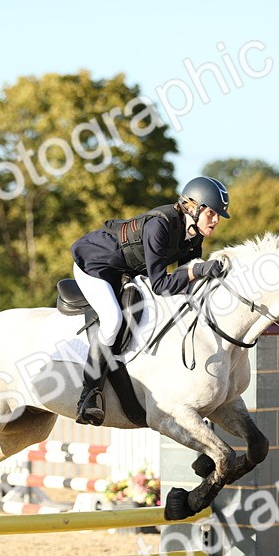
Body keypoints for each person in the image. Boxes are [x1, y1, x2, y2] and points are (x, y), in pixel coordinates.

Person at [69, 175, 232, 425]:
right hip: (95, 264)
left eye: (219, 215)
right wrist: (197, 271)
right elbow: (161, 285)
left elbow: (185, 286)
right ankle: (89, 393)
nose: (216, 220)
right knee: (112, 320)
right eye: (212, 213)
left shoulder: (194, 235)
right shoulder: (161, 226)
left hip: (126, 270)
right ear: (193, 207)